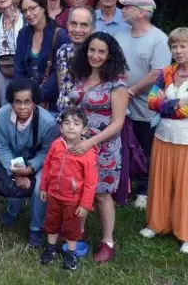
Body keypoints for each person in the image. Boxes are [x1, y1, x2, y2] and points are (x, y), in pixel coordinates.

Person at [140, 27, 188, 255]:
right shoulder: (165, 72)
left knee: (187, 188)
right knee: (160, 182)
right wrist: (173, 105)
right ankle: (157, 223)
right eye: (174, 46)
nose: (178, 51)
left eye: (183, 46)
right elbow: (150, 101)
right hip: (163, 135)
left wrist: (165, 107)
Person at [70, 32, 130, 263]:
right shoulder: (81, 76)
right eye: (91, 50)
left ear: (110, 54)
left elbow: (118, 122)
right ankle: (79, 233)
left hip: (105, 148)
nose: (95, 55)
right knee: (79, 190)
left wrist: (91, 142)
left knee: (102, 195)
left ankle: (107, 242)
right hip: (78, 143)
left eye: (101, 51)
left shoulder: (117, 82)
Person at [115, 0, 171, 210]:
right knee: (123, 146)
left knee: (145, 147)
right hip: (121, 103)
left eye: (127, 7)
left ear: (141, 12)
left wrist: (130, 91)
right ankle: (125, 186)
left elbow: (157, 73)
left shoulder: (160, 40)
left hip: (146, 107)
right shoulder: (120, 36)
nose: (123, 10)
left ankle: (144, 190)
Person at [0, 78, 59, 246]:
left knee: (39, 190)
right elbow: (1, 147)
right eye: (17, 102)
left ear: (34, 102)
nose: (22, 107)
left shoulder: (48, 123)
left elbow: (48, 152)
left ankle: (36, 229)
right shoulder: (1, 116)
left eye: (27, 102)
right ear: (11, 101)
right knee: (15, 185)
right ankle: (12, 210)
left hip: (40, 161)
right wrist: (17, 170)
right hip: (15, 160)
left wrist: (30, 169)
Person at [38, 108, 98, 271]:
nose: (71, 127)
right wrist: (44, 187)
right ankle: (50, 250)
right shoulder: (56, 145)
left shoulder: (88, 153)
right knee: (52, 222)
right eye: (67, 123)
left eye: (76, 124)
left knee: (72, 227)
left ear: (84, 130)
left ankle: (71, 253)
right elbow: (47, 166)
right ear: (61, 128)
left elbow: (91, 182)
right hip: (53, 196)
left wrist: (85, 205)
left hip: (73, 200)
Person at [14, 0, 70, 106]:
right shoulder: (23, 34)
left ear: (43, 8)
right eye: (24, 11)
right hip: (27, 98)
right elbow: (19, 68)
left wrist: (35, 96)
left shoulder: (59, 35)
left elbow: (58, 72)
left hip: (52, 100)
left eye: (32, 8)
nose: (28, 14)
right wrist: (23, 94)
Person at [55, 6, 95, 112]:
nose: (77, 30)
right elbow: (62, 87)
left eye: (84, 25)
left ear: (93, 28)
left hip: (90, 120)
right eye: (73, 24)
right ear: (67, 25)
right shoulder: (62, 51)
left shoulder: (99, 55)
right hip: (65, 117)